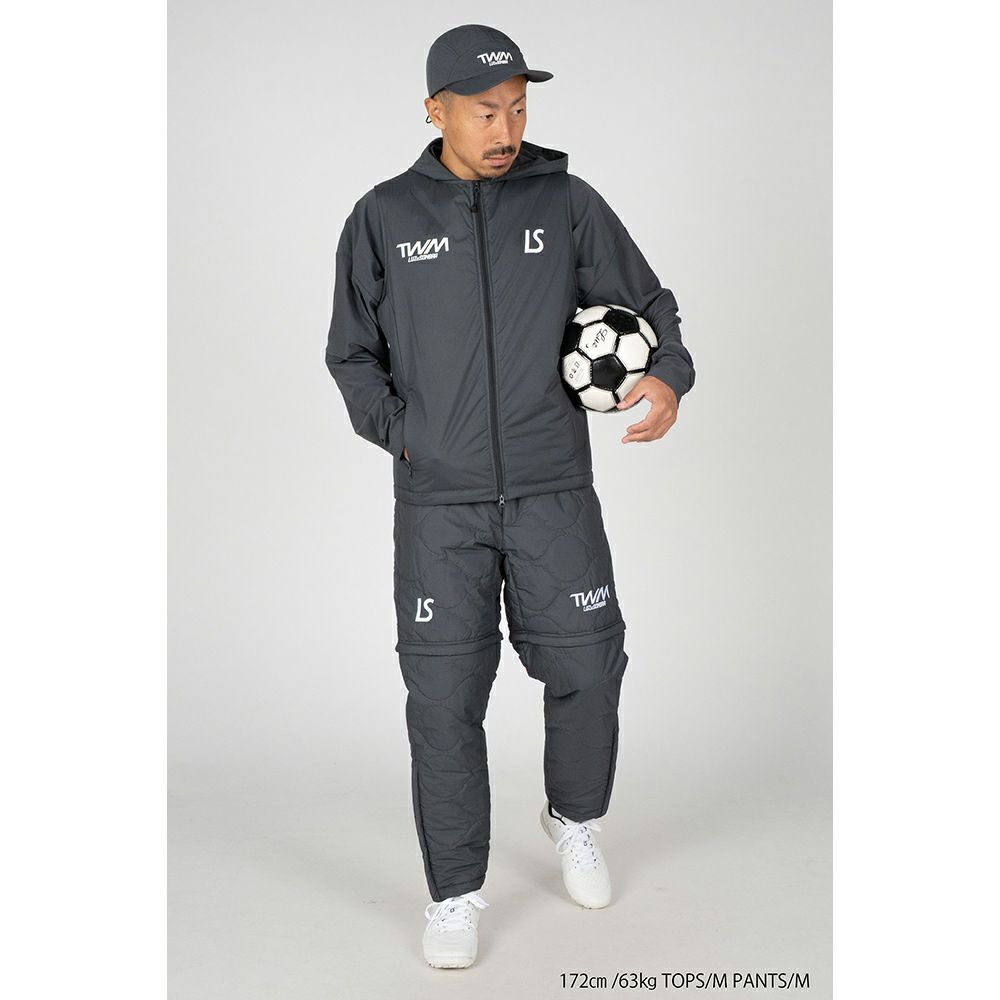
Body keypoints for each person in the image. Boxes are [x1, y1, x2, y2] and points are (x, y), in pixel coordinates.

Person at [325, 23, 695, 969]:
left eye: (519, 108)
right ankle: (454, 894)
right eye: (487, 111)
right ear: (435, 110)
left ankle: (575, 819)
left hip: (552, 491)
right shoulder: (383, 216)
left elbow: (650, 305)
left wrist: (667, 377)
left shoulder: (565, 202)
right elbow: (351, 353)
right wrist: (406, 434)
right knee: (443, 698)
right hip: (439, 509)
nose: (506, 128)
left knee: (589, 666)